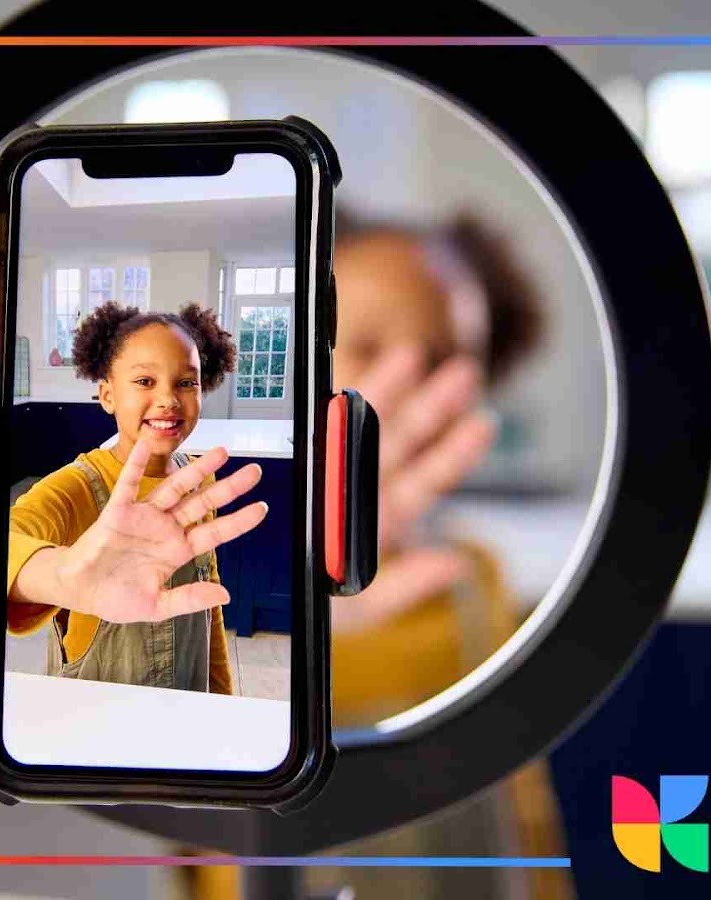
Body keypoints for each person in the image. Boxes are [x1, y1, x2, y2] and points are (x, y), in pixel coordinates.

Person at [185, 210, 574, 900]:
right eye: (365, 344)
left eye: (442, 363)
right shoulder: (208, 574)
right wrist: (280, 627)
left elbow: (523, 815)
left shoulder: (473, 576)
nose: (400, 389)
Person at [5, 301, 267, 694]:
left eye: (186, 382)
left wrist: (222, 699)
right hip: (91, 726)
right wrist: (66, 575)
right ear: (107, 395)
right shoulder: (76, 487)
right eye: (145, 381)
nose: (169, 399)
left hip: (187, 708)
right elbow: (0, 547)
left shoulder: (198, 478)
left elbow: (206, 601)